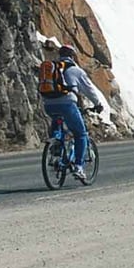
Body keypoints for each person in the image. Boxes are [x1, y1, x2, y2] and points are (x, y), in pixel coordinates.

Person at [40, 41, 108, 181]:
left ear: (60, 55)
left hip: (48, 104)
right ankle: (78, 167)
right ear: (72, 56)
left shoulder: (52, 69)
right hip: (67, 104)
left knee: (58, 124)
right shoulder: (75, 71)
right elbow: (89, 90)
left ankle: (56, 149)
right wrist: (98, 104)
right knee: (80, 134)